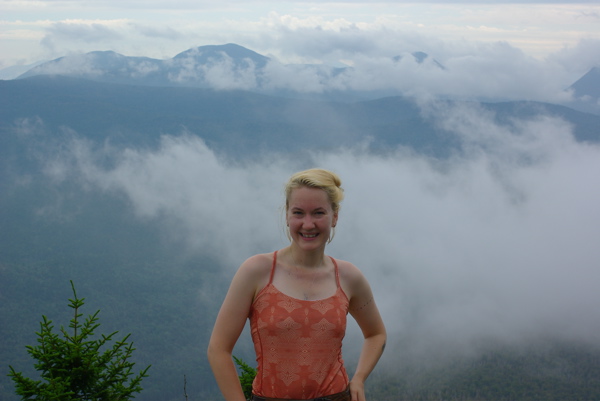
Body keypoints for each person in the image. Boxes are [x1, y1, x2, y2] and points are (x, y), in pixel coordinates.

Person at [207, 168, 387, 401]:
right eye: (299, 213)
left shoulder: (348, 277)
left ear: (335, 216)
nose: (308, 224)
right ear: (287, 216)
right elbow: (218, 350)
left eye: (319, 213)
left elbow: (376, 334)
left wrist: (359, 378)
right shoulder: (257, 271)